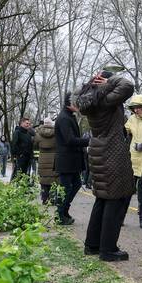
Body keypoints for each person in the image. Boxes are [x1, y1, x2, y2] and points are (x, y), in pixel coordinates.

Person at [75, 70, 135, 261]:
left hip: (99, 151)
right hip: (112, 152)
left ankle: (92, 245)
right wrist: (110, 81)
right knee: (115, 200)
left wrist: (103, 84)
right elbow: (127, 86)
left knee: (102, 199)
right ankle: (108, 249)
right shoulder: (106, 100)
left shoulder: (92, 101)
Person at [55, 92, 89, 224]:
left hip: (71, 161)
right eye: (77, 103)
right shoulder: (64, 118)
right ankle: (60, 215)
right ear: (70, 103)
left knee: (76, 184)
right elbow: (69, 140)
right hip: (66, 161)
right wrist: (88, 141)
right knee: (66, 188)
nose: (79, 106)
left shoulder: (69, 116)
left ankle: (64, 211)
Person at [125, 94, 142, 228]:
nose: (136, 110)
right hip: (133, 159)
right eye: (134, 108)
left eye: (138, 107)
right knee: (126, 191)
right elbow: (123, 131)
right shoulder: (131, 119)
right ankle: (120, 217)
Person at [34, 117, 58, 204]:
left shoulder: (38, 134)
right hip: (54, 159)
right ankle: (52, 198)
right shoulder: (56, 133)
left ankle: (44, 198)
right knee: (53, 179)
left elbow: (35, 145)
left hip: (42, 159)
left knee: (43, 179)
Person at [10, 117, 34, 181]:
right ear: (21, 123)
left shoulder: (29, 133)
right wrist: (19, 154)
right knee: (18, 175)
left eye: (29, 123)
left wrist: (31, 155)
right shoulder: (17, 132)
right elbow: (14, 145)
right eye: (26, 123)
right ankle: (15, 188)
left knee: (26, 175)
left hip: (28, 158)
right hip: (20, 157)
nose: (28, 125)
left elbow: (30, 145)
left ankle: (24, 188)